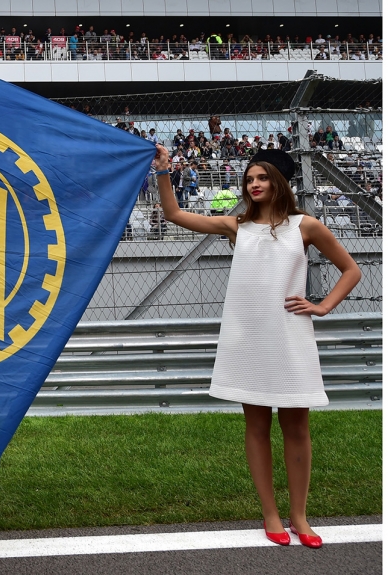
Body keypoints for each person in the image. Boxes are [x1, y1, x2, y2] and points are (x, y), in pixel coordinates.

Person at [153, 145, 361, 549]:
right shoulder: (237, 226)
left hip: (290, 336)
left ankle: (299, 516)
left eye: (262, 177)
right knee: (257, 425)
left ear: (279, 181)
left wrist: (321, 306)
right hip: (247, 338)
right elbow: (175, 215)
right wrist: (163, 171)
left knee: (297, 426)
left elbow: (350, 270)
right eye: (249, 179)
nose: (254, 184)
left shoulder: (307, 226)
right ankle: (270, 513)